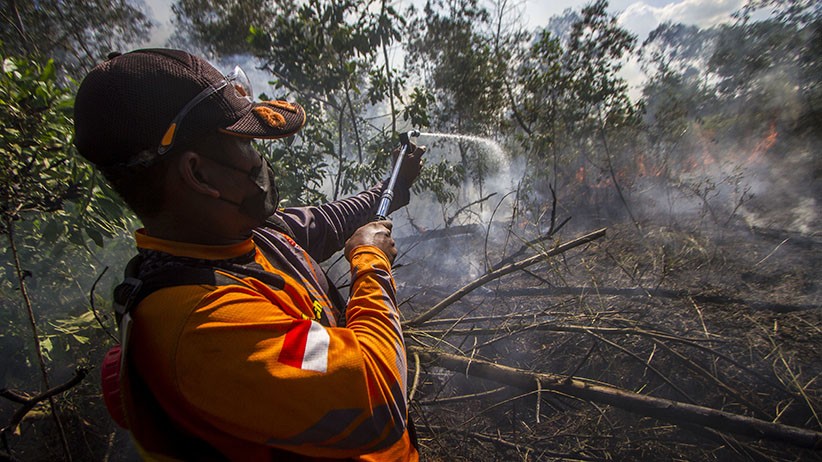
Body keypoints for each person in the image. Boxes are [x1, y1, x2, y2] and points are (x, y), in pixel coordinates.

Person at [73, 48, 425, 461]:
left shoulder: (235, 235)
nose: (260, 158)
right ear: (198, 173)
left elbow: (327, 221)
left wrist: (393, 188)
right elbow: (377, 397)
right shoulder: (209, 325)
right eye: (245, 143)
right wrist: (370, 262)